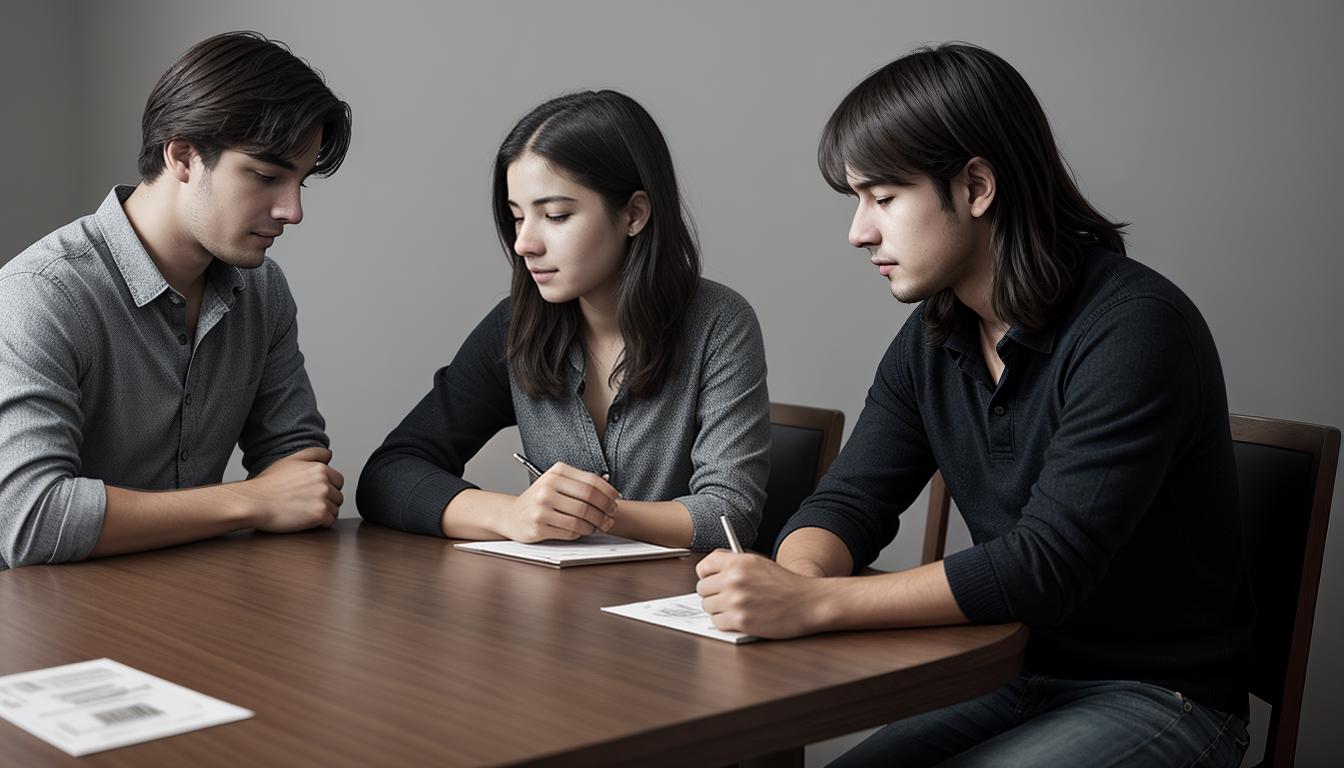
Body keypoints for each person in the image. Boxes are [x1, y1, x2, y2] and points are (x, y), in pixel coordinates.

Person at [695, 43, 1252, 766]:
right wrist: (791, 577)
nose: (859, 231)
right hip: (1006, 673)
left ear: (977, 186)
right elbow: (848, 503)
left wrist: (812, 606)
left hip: (1160, 695)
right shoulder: (934, 334)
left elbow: (1045, 565)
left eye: (884, 199)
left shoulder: (1136, 330)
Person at [0, 31, 353, 569]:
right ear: (183, 156)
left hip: (188, 606)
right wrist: (250, 501)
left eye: (301, 182)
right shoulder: (41, 295)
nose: (292, 210)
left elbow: (300, 469)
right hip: (45, 626)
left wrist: (280, 491)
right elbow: (31, 520)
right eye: (266, 176)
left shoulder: (262, 291)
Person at [357, 90, 769, 551]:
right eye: (516, 218)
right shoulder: (517, 324)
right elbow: (389, 474)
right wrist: (510, 514)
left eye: (555, 215)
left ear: (634, 213)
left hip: (676, 608)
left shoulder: (720, 323)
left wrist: (592, 514)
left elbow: (729, 515)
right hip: (554, 608)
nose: (524, 243)